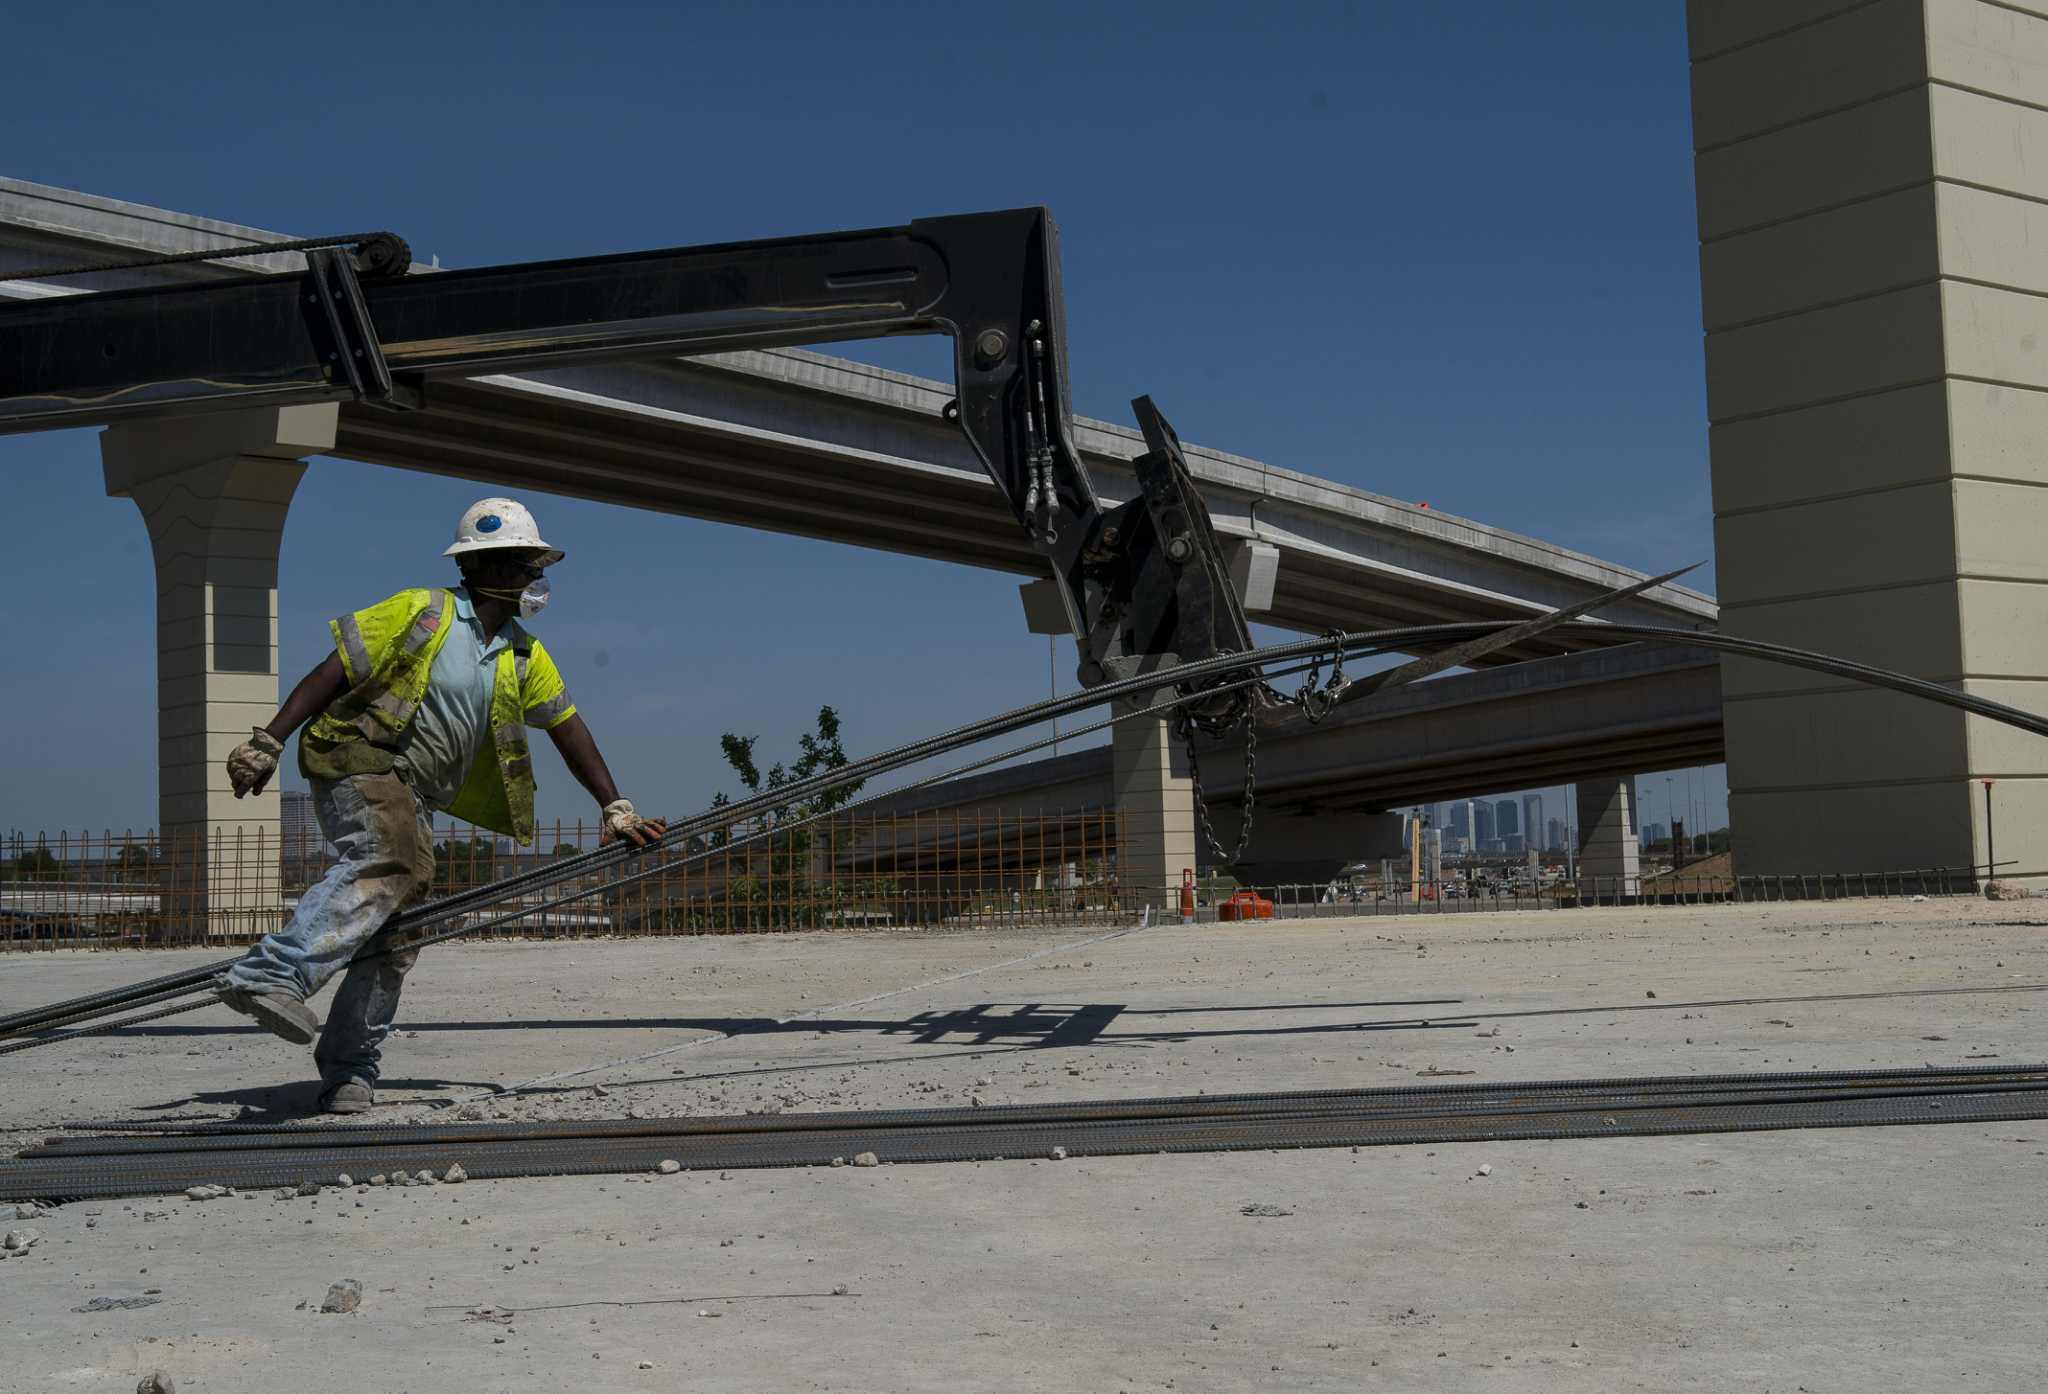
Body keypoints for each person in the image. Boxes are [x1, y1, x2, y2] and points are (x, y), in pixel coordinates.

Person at [215, 497, 665, 1114]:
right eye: (527, 565)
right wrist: (270, 739)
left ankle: (349, 1068)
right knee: (391, 859)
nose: (537, 579)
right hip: (358, 757)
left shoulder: (522, 655)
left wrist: (616, 806)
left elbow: (569, 729)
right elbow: (333, 673)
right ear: (489, 567)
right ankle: (275, 971)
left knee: (401, 931)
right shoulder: (422, 612)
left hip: (417, 793)